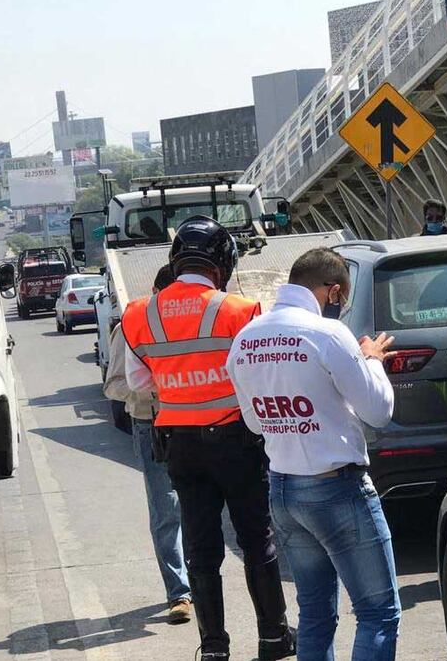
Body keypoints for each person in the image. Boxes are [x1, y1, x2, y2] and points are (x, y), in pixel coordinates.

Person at [122, 216, 296, 660]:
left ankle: (214, 647)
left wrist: (180, 382)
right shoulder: (240, 309)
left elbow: (138, 382)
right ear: (222, 263)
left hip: (180, 444)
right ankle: (274, 639)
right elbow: (257, 373)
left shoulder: (141, 313)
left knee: (200, 547)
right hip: (236, 440)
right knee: (257, 540)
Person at [227, 248, 401, 661]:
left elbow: (254, 423)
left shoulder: (246, 338)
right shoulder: (327, 334)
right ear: (335, 291)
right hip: (337, 488)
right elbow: (378, 412)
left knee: (316, 616)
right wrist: (372, 362)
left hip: (284, 491)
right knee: (378, 613)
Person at [103, 265, 192, 624]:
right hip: (153, 425)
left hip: (196, 423)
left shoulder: (196, 320)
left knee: (200, 505)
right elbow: (114, 385)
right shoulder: (133, 324)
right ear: (157, 293)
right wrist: (155, 388)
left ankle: (200, 582)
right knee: (166, 509)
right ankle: (180, 593)